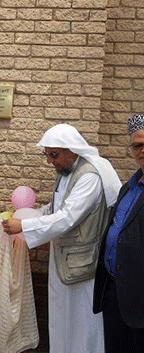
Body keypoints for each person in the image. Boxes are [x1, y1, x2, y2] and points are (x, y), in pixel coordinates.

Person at [2, 124, 122, 353]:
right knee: (61, 318)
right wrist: (37, 214)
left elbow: (67, 218)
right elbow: (57, 207)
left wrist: (25, 225)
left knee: (83, 323)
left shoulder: (90, 178)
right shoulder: (66, 172)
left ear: (73, 151)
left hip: (84, 265)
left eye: (53, 155)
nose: (49, 161)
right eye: (47, 154)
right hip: (63, 260)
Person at [93, 113, 144, 353]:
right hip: (115, 293)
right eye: (138, 145)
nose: (143, 150)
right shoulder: (128, 187)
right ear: (131, 148)